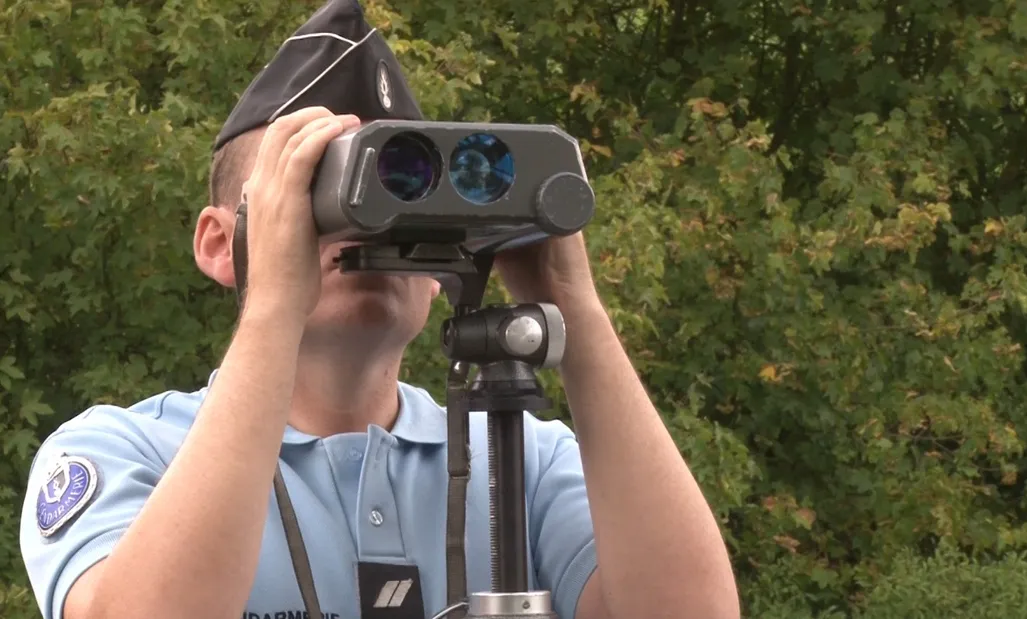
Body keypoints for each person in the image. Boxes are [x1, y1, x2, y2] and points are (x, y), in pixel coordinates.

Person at [18, 1, 740, 618]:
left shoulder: (522, 457)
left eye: (404, 193)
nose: (366, 227)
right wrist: (273, 303)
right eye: (318, 192)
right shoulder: (121, 451)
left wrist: (571, 304)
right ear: (219, 243)